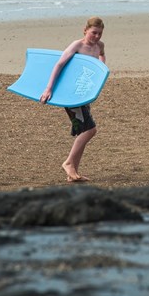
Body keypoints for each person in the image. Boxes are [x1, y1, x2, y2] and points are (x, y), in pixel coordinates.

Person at [40, 16, 106, 182]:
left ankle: (73, 173)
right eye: (93, 33)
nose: (96, 37)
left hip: (84, 92)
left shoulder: (100, 46)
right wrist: (48, 88)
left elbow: (102, 58)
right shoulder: (77, 45)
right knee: (90, 130)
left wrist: (101, 72)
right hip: (70, 94)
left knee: (83, 130)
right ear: (85, 31)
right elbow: (59, 65)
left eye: (99, 33)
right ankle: (69, 163)